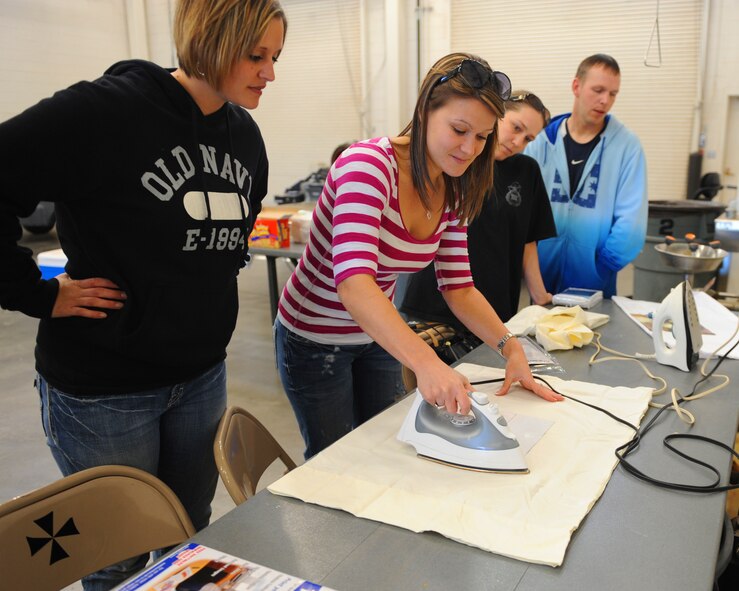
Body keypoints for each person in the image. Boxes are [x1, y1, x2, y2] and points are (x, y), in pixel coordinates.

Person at [0, 1, 286, 588]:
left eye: (275, 57)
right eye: (255, 56)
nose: (270, 73)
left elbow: (238, 223)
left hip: (201, 377)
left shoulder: (244, 134)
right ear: (210, 41)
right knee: (116, 558)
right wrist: (35, 293)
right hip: (105, 391)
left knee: (188, 537)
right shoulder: (107, 112)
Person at [275, 53, 563, 460]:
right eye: (460, 130)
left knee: (386, 447)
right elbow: (355, 283)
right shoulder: (367, 167)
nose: (470, 149)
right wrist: (427, 362)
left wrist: (511, 346)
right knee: (337, 458)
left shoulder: (456, 186)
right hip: (314, 338)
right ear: (426, 110)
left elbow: (459, 287)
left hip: (378, 333)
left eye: (482, 137)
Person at [400, 90, 556, 329]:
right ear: (495, 116)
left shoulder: (527, 171)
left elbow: (528, 241)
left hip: (493, 311)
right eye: (516, 128)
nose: (518, 142)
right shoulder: (457, 160)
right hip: (434, 306)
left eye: (528, 139)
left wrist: (541, 299)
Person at [525, 54, 647, 299]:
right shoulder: (541, 141)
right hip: (541, 278)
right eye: (598, 90)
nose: (605, 101)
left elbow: (632, 220)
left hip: (595, 281)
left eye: (613, 94)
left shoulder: (626, 146)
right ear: (576, 86)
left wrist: (602, 267)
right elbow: (523, 207)